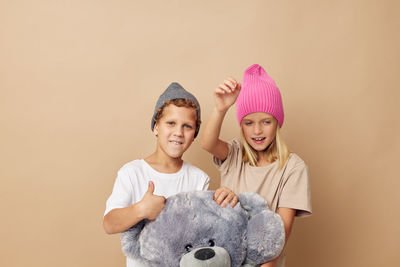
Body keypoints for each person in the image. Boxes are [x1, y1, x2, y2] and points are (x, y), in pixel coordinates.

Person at [103, 82, 237, 267]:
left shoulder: (199, 179)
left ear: (194, 133)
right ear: (156, 127)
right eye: (171, 123)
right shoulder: (132, 172)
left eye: (187, 126)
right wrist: (141, 209)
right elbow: (109, 224)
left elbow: (204, 234)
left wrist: (228, 202)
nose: (178, 133)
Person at [201, 64, 312, 267]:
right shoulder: (234, 154)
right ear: (241, 125)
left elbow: (280, 233)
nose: (257, 131)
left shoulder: (293, 168)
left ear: (278, 123)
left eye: (266, 122)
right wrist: (220, 108)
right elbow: (207, 143)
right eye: (249, 123)